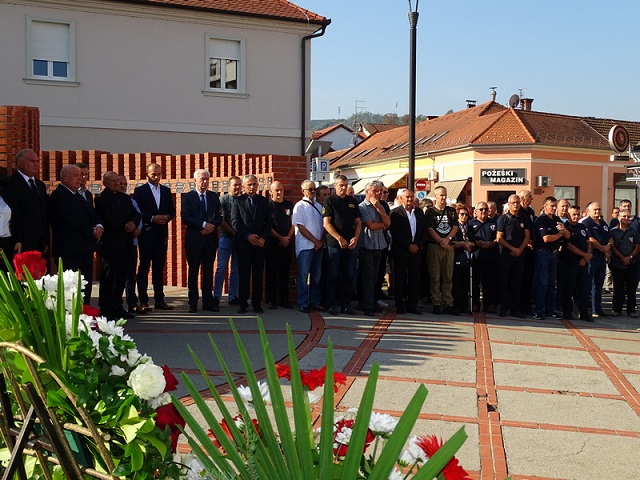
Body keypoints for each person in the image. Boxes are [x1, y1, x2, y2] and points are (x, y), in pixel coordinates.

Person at [49, 165, 103, 303]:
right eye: (76, 175)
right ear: (65, 178)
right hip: (70, 251)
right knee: (71, 290)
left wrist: (99, 226)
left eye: (80, 175)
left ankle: (85, 312)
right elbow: (71, 220)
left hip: (85, 249)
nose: (80, 178)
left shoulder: (78, 195)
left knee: (84, 287)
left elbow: (92, 214)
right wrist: (92, 231)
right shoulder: (59, 195)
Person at [95, 171, 140, 320]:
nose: (117, 184)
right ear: (105, 183)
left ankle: (118, 307)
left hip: (126, 244)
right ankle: (106, 308)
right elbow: (109, 219)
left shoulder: (125, 198)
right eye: (113, 181)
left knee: (122, 277)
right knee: (109, 278)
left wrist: (133, 223)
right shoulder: (101, 199)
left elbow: (136, 214)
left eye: (118, 181)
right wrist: (126, 225)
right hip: (111, 244)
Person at [133, 163, 176, 311]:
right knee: (144, 267)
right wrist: (152, 218)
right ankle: (143, 301)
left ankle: (159, 299)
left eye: (159, 174)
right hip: (146, 234)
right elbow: (137, 212)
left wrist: (167, 217)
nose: (156, 177)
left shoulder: (165, 190)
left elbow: (172, 210)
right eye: (153, 174)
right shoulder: (140, 191)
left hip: (161, 234)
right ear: (147, 175)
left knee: (159, 268)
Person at [181, 169, 222, 313]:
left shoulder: (213, 196)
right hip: (194, 240)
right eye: (202, 179)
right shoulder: (188, 197)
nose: (204, 182)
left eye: (207, 179)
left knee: (208, 271)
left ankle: (208, 302)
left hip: (210, 240)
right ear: (195, 180)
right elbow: (185, 217)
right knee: (193, 271)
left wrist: (211, 227)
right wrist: (204, 225)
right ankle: (193, 303)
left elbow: (219, 216)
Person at [231, 174, 271, 314]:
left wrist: (263, 237)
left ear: (258, 185)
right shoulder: (238, 201)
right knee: (244, 275)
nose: (252, 187)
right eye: (249, 184)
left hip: (260, 244)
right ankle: (243, 303)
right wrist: (247, 235)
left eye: (254, 184)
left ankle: (256, 303)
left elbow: (268, 221)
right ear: (244, 186)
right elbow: (235, 221)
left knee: (258, 275)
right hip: (244, 243)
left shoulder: (264, 201)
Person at [322, 175, 361, 315]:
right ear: (335, 186)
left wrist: (356, 238)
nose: (343, 188)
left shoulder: (352, 201)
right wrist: (339, 238)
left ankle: (346, 305)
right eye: (341, 185)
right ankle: (331, 304)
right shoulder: (329, 201)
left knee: (349, 274)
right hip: (334, 244)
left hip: (350, 244)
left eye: (345, 185)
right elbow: (326, 223)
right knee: (333, 274)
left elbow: (358, 222)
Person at [1, 149, 49, 254]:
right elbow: (14, 214)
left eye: (37, 161)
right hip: (21, 242)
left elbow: (43, 214)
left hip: (39, 242)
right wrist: (18, 239)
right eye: (32, 161)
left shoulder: (40, 185)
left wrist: (45, 240)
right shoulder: (10, 184)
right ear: (21, 163)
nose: (36, 164)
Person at [532, 196, 570, 320]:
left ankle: (550, 310)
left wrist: (563, 230)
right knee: (542, 283)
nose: (554, 208)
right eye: (551, 206)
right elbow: (546, 238)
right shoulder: (541, 220)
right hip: (543, 253)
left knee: (552, 284)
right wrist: (560, 234)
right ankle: (538, 310)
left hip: (554, 254)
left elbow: (568, 236)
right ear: (545, 206)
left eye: (555, 206)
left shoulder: (557, 219)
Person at [389, 189, 426, 314]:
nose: (410, 199)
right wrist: (408, 245)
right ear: (401, 198)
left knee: (414, 278)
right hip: (401, 250)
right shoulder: (395, 213)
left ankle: (412, 305)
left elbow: (423, 231)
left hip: (416, 250)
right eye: (407, 197)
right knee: (400, 278)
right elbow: (395, 232)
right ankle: (399, 304)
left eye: (411, 197)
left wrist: (417, 245)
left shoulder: (419, 212)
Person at [357, 181, 390, 316]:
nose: (378, 193)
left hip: (379, 245)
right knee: (368, 277)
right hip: (367, 245)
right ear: (367, 192)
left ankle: (373, 301)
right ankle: (367, 305)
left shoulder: (380, 205)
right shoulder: (362, 207)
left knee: (376, 277)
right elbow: (371, 225)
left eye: (379, 191)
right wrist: (382, 225)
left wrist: (379, 207)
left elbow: (388, 222)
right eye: (375, 191)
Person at [425, 185, 459, 315]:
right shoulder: (430, 212)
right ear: (436, 196)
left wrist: (448, 239)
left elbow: (455, 226)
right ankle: (436, 303)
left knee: (448, 276)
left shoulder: (451, 211)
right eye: (441, 195)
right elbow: (429, 228)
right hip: (435, 246)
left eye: (445, 195)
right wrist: (440, 240)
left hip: (448, 246)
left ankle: (448, 303)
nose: (443, 197)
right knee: (435, 276)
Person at [292, 180, 324, 313]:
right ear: (303, 191)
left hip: (318, 247)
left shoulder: (319, 206)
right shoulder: (299, 206)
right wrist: (315, 241)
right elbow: (300, 227)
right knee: (303, 276)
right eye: (310, 189)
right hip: (305, 246)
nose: (313, 192)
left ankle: (315, 302)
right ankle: (303, 303)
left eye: (314, 189)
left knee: (316, 276)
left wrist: (320, 242)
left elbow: (324, 225)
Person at [496, 195, 531, 318]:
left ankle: (515, 309)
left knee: (517, 283)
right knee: (504, 282)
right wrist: (512, 249)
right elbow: (499, 238)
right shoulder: (503, 219)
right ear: (509, 204)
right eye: (513, 203)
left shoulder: (524, 218)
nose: (515, 205)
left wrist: (519, 249)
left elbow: (527, 236)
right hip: (506, 255)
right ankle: (504, 308)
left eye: (517, 202)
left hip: (519, 255)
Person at [559, 206, 592, 321]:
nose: (576, 216)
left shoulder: (581, 226)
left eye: (578, 214)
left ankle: (584, 313)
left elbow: (588, 242)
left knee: (583, 289)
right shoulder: (565, 227)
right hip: (570, 262)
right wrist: (584, 255)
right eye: (574, 214)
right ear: (568, 215)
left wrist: (586, 256)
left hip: (583, 263)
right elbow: (569, 246)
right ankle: (567, 312)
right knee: (568, 288)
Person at [214, 176, 242, 306]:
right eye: (235, 185)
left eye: (239, 185)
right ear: (229, 186)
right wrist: (234, 233)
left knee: (236, 268)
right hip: (226, 237)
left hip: (240, 239)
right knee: (221, 267)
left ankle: (232, 296)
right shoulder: (223, 200)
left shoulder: (243, 200)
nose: (238, 187)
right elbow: (221, 220)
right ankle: (216, 296)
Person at [266, 181, 294, 309]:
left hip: (287, 243)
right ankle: (272, 300)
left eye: (281, 189)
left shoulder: (289, 205)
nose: (279, 192)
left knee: (285, 273)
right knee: (272, 272)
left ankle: (284, 300)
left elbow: (293, 223)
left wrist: (287, 238)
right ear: (270, 192)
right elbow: (268, 226)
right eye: (276, 190)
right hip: (273, 243)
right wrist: (280, 238)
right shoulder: (267, 206)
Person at [119, 175, 145, 314]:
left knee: (130, 274)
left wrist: (137, 227)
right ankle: (116, 304)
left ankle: (132, 303)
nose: (123, 186)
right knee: (118, 275)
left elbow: (138, 216)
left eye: (125, 184)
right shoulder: (106, 200)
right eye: (120, 183)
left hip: (132, 242)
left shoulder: (131, 201)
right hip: (117, 244)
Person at [467, 202, 498, 313]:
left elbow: (499, 237)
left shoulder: (493, 222)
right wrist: (477, 243)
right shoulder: (470, 223)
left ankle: (488, 304)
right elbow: (468, 237)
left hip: (490, 257)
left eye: (486, 209)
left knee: (489, 282)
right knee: (475, 281)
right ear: (476, 211)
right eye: (481, 209)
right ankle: (475, 303)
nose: (484, 211)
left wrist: (492, 243)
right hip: (476, 256)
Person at [608, 210, 640, 317]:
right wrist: (622, 258)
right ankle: (617, 309)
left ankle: (631, 310)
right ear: (618, 218)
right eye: (624, 216)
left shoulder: (634, 231)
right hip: (618, 263)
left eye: (628, 216)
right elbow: (612, 247)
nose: (626, 218)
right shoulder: (613, 231)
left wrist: (629, 257)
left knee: (631, 288)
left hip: (631, 263)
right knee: (618, 288)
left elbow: (637, 246)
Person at [581, 202, 610, 317]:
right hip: (592, 256)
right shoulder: (586, 223)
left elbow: (610, 237)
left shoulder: (603, 223)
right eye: (595, 210)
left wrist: (608, 247)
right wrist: (603, 249)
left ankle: (597, 309)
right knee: (588, 283)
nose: (598, 211)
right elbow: (590, 239)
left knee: (599, 284)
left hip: (601, 257)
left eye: (599, 209)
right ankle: (586, 309)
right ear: (589, 211)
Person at [451, 204, 473, 314]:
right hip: (457, 257)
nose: (464, 217)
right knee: (457, 283)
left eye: (466, 215)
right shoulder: (454, 227)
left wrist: (470, 244)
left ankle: (464, 306)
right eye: (462, 214)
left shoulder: (469, 227)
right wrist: (462, 244)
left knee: (465, 284)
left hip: (467, 258)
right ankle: (456, 306)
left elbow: (474, 240)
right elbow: (451, 242)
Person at [518, 189, 536, 314]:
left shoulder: (530, 211)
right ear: (522, 198)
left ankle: (527, 305)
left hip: (530, 249)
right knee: (520, 278)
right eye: (529, 196)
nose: (532, 199)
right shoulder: (518, 212)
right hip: (520, 248)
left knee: (529, 279)